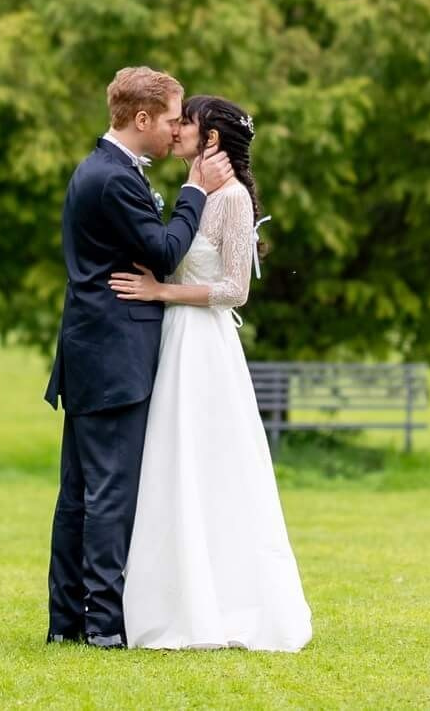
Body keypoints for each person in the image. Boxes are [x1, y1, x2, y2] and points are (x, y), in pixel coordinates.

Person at [111, 94, 312, 652]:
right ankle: (169, 600)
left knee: (208, 464)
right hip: (175, 341)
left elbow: (234, 289)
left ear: (212, 138)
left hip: (205, 347)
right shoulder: (194, 192)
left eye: (186, 123)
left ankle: (223, 605)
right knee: (170, 463)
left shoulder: (232, 200)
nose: (175, 130)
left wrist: (160, 292)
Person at [44, 67, 236, 648]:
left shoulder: (105, 169)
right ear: (143, 117)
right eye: (173, 118)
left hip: (92, 351)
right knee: (108, 492)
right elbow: (164, 249)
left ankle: (69, 622)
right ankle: (103, 625)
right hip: (112, 356)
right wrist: (195, 191)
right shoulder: (114, 179)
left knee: (80, 493)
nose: (178, 128)